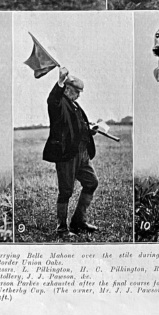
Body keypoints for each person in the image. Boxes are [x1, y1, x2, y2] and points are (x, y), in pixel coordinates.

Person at [42, 67, 99, 237]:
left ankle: (78, 222)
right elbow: (52, 100)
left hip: (82, 154)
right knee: (66, 191)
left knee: (91, 182)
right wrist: (60, 81)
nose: (79, 95)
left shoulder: (75, 105)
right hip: (66, 154)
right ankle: (61, 228)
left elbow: (75, 127)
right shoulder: (59, 103)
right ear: (67, 89)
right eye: (76, 91)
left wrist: (89, 130)